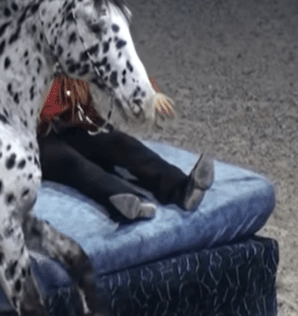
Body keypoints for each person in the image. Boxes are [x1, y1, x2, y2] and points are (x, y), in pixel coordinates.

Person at [38, 75, 214, 222]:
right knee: (70, 161)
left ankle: (182, 188)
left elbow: (80, 105)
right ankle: (125, 202)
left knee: (119, 142)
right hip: (29, 136)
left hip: (63, 124)